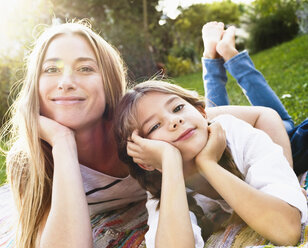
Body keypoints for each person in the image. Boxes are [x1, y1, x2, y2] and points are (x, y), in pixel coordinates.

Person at [0, 20, 296, 248]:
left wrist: (284, 185)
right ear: (34, 85)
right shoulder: (32, 163)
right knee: (202, 108)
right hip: (202, 142)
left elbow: (255, 117)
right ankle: (212, 59)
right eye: (51, 70)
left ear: (109, 83)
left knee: (227, 112)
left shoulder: (143, 127)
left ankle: (220, 58)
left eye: (85, 68)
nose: (65, 82)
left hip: (264, 131)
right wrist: (63, 144)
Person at [114, 80, 307, 248]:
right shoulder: (164, 191)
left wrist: (208, 163)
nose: (175, 120)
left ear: (202, 113)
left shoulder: (236, 134)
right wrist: (170, 162)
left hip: (274, 131)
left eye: (178, 108)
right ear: (146, 161)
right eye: (154, 126)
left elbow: (286, 230)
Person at [201, 21, 308, 175]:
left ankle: (224, 58)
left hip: (278, 150)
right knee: (280, 122)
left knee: (281, 122)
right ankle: (216, 59)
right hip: (283, 144)